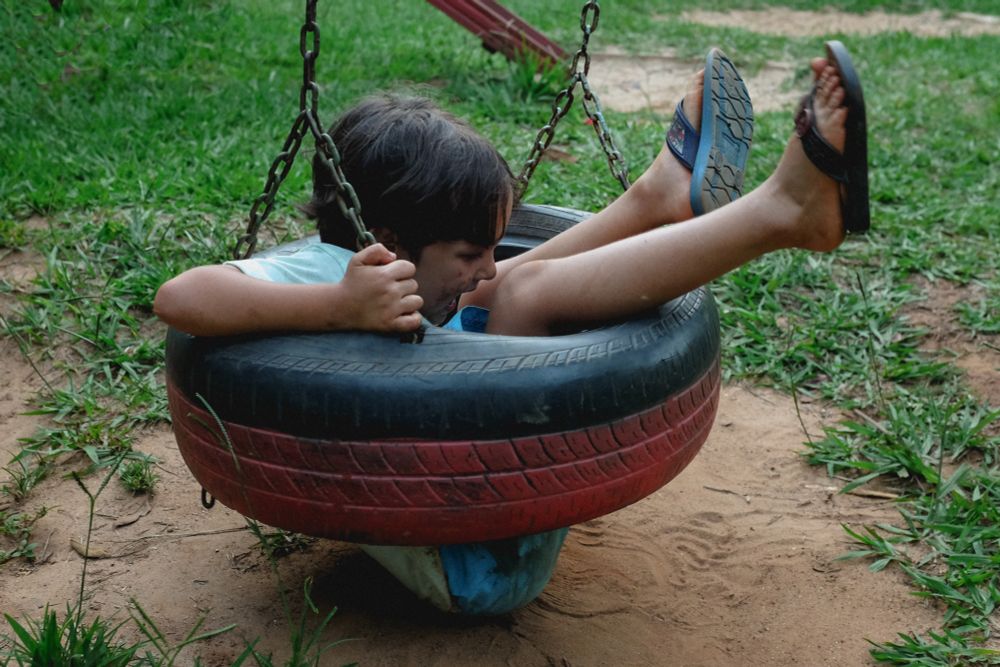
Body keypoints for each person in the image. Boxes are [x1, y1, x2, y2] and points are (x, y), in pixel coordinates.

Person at [155, 43, 869, 614]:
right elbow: (180, 297)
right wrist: (337, 309)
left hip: (480, 510)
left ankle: (656, 201)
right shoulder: (326, 276)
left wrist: (457, 275)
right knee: (521, 290)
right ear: (389, 238)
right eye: (467, 252)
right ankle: (781, 214)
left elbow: (477, 279)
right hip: (472, 559)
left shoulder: (412, 265)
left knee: (508, 285)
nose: (482, 265)